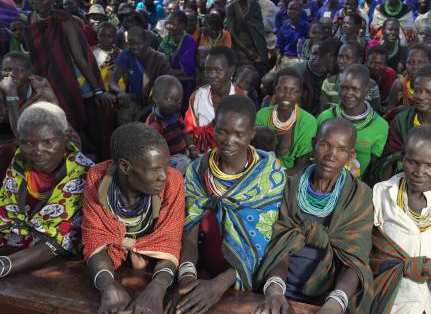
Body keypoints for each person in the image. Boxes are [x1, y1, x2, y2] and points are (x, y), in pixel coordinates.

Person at [171, 95, 286, 313]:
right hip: (203, 275)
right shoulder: (198, 171)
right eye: (222, 131)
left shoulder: (271, 178)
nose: (228, 140)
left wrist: (220, 284)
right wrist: (187, 279)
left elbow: (270, 245)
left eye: (239, 134)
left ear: (251, 134)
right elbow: (189, 233)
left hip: (254, 282)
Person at [254, 118, 374, 313]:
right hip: (279, 287)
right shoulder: (289, 187)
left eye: (342, 150)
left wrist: (334, 304)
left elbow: (355, 260)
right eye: (325, 145)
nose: (331, 155)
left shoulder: (359, 197)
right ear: (313, 144)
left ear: (351, 155)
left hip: (329, 297)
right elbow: (278, 247)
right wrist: (275, 292)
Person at [82, 123, 185, 314]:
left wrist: (157, 288)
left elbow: (169, 242)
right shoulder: (97, 178)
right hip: (113, 268)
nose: (163, 176)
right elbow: (95, 238)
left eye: (166, 166)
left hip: (156, 270)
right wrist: (107, 285)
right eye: (155, 169)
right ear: (124, 167)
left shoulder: (173, 182)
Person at [371, 124, 431, 314]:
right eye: (412, 162)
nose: (419, 171)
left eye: (430, 165)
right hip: (388, 304)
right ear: (403, 156)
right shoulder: (381, 195)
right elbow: (371, 255)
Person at [0, 103, 93, 276]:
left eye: (48, 142)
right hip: (17, 247)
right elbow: (5, 215)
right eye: (27, 142)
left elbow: (56, 243)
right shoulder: (19, 164)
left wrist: (5, 266)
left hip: (62, 263)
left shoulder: (84, 174)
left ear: (66, 137)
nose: (38, 151)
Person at [25, 0, 112, 153]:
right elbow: (34, 55)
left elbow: (79, 56)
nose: (35, 2)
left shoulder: (62, 20)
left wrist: (97, 89)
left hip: (68, 78)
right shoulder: (30, 18)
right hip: (44, 79)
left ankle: (86, 154)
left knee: (73, 119)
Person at [318, 64, 389, 180]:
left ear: (367, 90)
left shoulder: (380, 126)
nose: (348, 93)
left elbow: (373, 163)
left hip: (355, 185)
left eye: (355, 89)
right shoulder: (326, 117)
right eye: (344, 87)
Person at [185, 46, 245, 154]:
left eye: (218, 70)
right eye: (207, 70)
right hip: (201, 156)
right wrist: (193, 151)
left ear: (232, 70)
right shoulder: (198, 97)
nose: (211, 75)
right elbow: (188, 131)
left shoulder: (240, 99)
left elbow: (243, 138)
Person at [256, 68, 316, 174]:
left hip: (291, 177)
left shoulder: (308, 122)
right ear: (275, 89)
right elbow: (254, 154)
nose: (287, 95)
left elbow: (301, 166)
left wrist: (277, 178)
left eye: (294, 91)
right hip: (260, 172)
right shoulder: (262, 115)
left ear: (300, 93)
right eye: (282, 89)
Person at [110, 26, 172, 124]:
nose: (134, 47)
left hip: (154, 104)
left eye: (137, 43)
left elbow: (166, 92)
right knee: (123, 122)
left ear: (146, 42)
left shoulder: (159, 59)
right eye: (130, 44)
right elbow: (113, 82)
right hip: (133, 102)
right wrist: (120, 92)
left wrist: (141, 113)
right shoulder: (127, 54)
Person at [145, 75, 197, 174]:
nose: (174, 104)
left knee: (199, 161)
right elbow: (153, 148)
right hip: (168, 160)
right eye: (168, 99)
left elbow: (185, 132)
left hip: (183, 153)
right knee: (190, 168)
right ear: (155, 98)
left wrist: (191, 148)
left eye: (178, 101)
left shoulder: (176, 114)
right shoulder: (155, 121)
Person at [0, 52, 59, 135]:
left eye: (19, 70)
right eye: (6, 70)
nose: (11, 74)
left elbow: (23, 135)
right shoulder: (1, 88)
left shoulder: (41, 91)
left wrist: (11, 96)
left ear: (29, 73)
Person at [321, 41, 382, 112]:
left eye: (348, 57)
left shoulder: (371, 84)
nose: (341, 61)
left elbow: (376, 113)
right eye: (340, 56)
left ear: (359, 60)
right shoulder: (329, 82)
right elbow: (322, 111)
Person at [289, 37, 341, 116]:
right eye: (338, 58)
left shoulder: (333, 78)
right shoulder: (296, 71)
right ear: (329, 56)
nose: (340, 62)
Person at [226, 0, 268, 74]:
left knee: (262, 68)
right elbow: (231, 31)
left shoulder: (254, 6)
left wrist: (255, 50)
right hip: (238, 46)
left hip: (255, 45)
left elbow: (258, 28)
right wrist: (247, 50)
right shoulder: (231, 7)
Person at [159, 10, 197, 110]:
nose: (168, 26)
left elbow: (188, 72)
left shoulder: (188, 40)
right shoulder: (166, 41)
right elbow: (160, 64)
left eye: (172, 24)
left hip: (186, 85)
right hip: (169, 83)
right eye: (167, 23)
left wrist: (167, 72)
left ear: (182, 25)